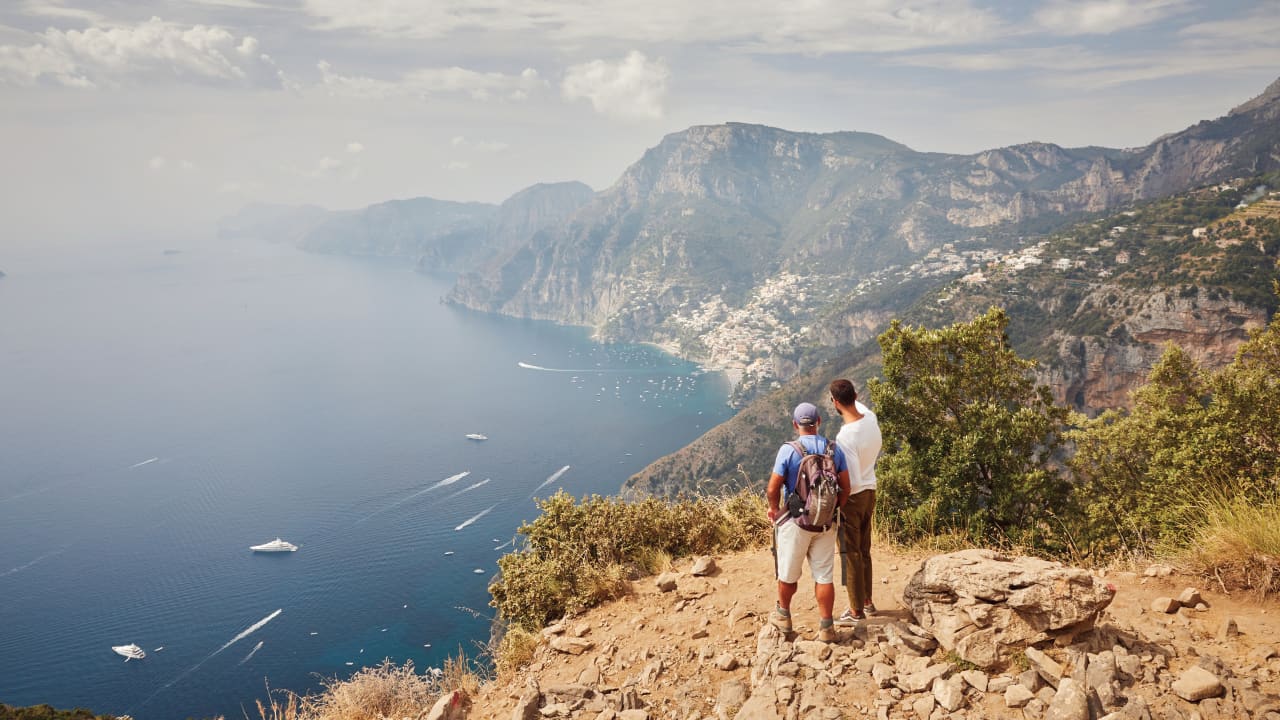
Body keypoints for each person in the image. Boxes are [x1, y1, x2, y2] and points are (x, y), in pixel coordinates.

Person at [767, 402, 851, 642]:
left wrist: (774, 511)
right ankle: (826, 627)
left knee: (788, 573)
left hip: (796, 523)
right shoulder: (834, 450)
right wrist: (832, 509)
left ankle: (783, 616)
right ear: (819, 422)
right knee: (824, 576)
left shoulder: (789, 450)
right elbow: (846, 487)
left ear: (795, 425)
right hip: (825, 525)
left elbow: (772, 488)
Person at [829, 378, 883, 626]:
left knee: (850, 553)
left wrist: (838, 505)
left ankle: (855, 610)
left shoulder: (845, 437)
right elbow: (857, 408)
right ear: (857, 395)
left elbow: (848, 480)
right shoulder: (870, 419)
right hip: (871, 490)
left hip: (854, 497)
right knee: (864, 550)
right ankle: (868, 601)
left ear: (835, 402)